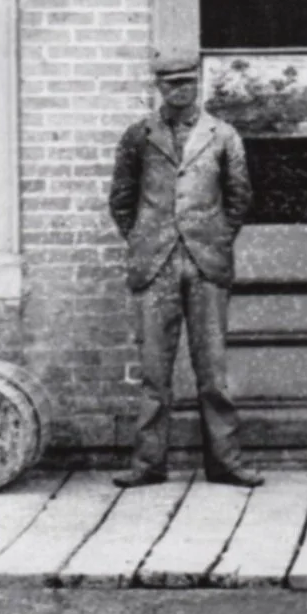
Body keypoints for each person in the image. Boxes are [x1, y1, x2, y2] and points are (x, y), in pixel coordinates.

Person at [107, 57, 262, 487]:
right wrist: (144, 238)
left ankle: (227, 462)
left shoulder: (222, 135)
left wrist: (213, 238)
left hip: (205, 265)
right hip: (154, 266)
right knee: (155, 373)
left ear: (199, 83)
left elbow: (239, 198)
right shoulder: (138, 136)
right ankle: (148, 464)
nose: (181, 90)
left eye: (188, 82)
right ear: (158, 87)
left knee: (212, 372)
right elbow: (121, 199)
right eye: (172, 83)